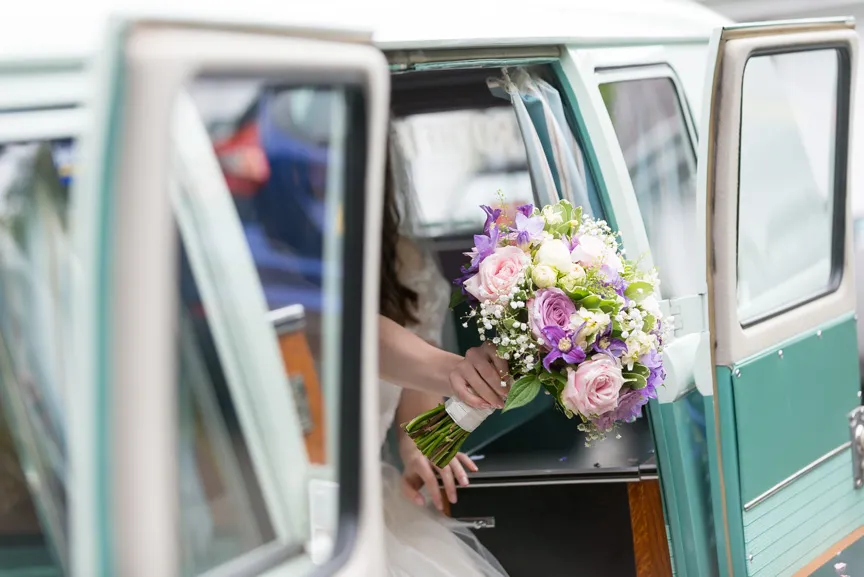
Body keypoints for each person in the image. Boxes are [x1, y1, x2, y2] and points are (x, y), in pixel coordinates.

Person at [375, 152, 510, 577]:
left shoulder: (402, 266)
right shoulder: (280, 260)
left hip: (377, 507)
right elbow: (354, 335)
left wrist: (419, 450)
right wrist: (457, 370)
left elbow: (414, 413)